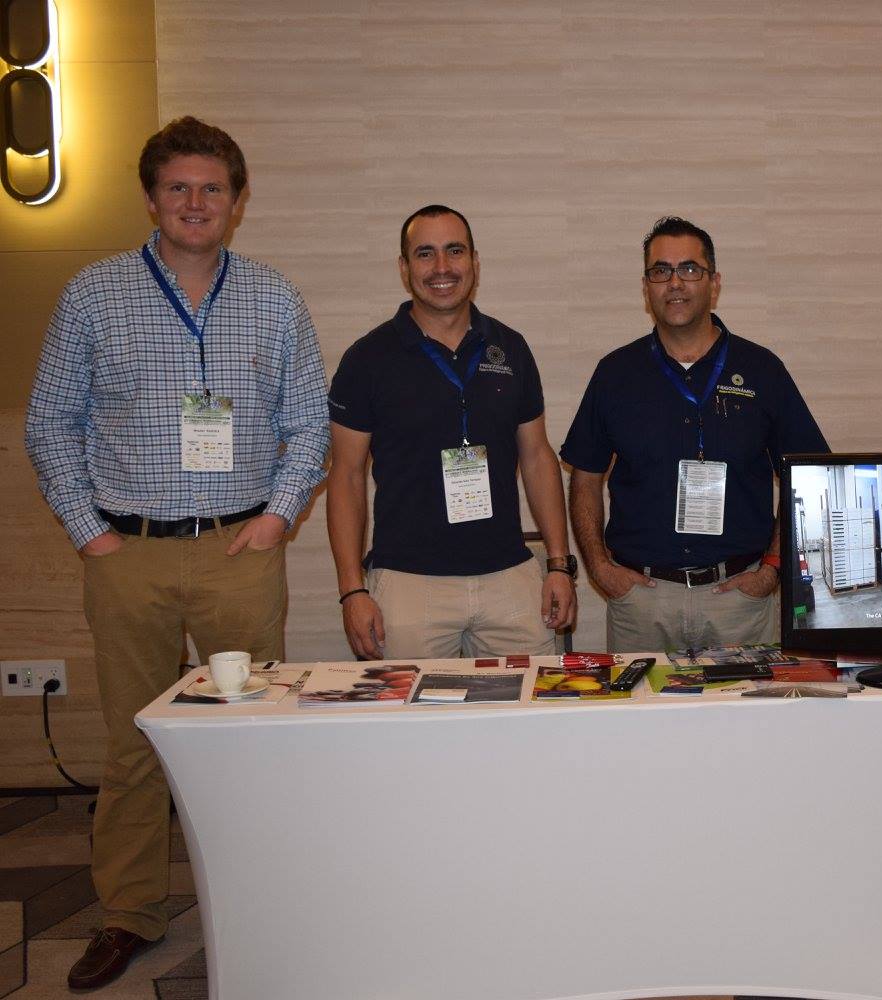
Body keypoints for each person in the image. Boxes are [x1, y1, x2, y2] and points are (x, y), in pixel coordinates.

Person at [24, 116, 328, 990]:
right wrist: (90, 532)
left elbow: (309, 422)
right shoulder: (94, 293)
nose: (196, 202)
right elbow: (50, 422)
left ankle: (261, 898)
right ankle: (131, 913)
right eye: (178, 187)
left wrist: (275, 521)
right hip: (130, 554)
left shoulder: (273, 297)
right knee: (134, 745)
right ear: (151, 198)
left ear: (237, 202)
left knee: (252, 736)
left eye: (212, 188)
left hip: (241, 551)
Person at [562, 216, 828, 652]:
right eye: (660, 271)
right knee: (639, 702)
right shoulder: (615, 374)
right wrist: (600, 568)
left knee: (748, 702)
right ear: (646, 286)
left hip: (740, 601)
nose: (675, 283)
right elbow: (585, 477)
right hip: (641, 602)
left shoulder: (762, 370)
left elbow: (808, 472)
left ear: (714, 282)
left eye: (689, 269)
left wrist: (772, 571)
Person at [327, 205, 575, 659]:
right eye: (425, 254)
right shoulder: (367, 358)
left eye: (454, 251)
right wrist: (351, 590)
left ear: (474, 262)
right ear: (404, 267)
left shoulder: (510, 348)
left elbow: (538, 456)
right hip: (407, 582)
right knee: (411, 708)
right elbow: (345, 475)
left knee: (529, 701)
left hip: (508, 576)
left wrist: (559, 564)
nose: (442, 267)